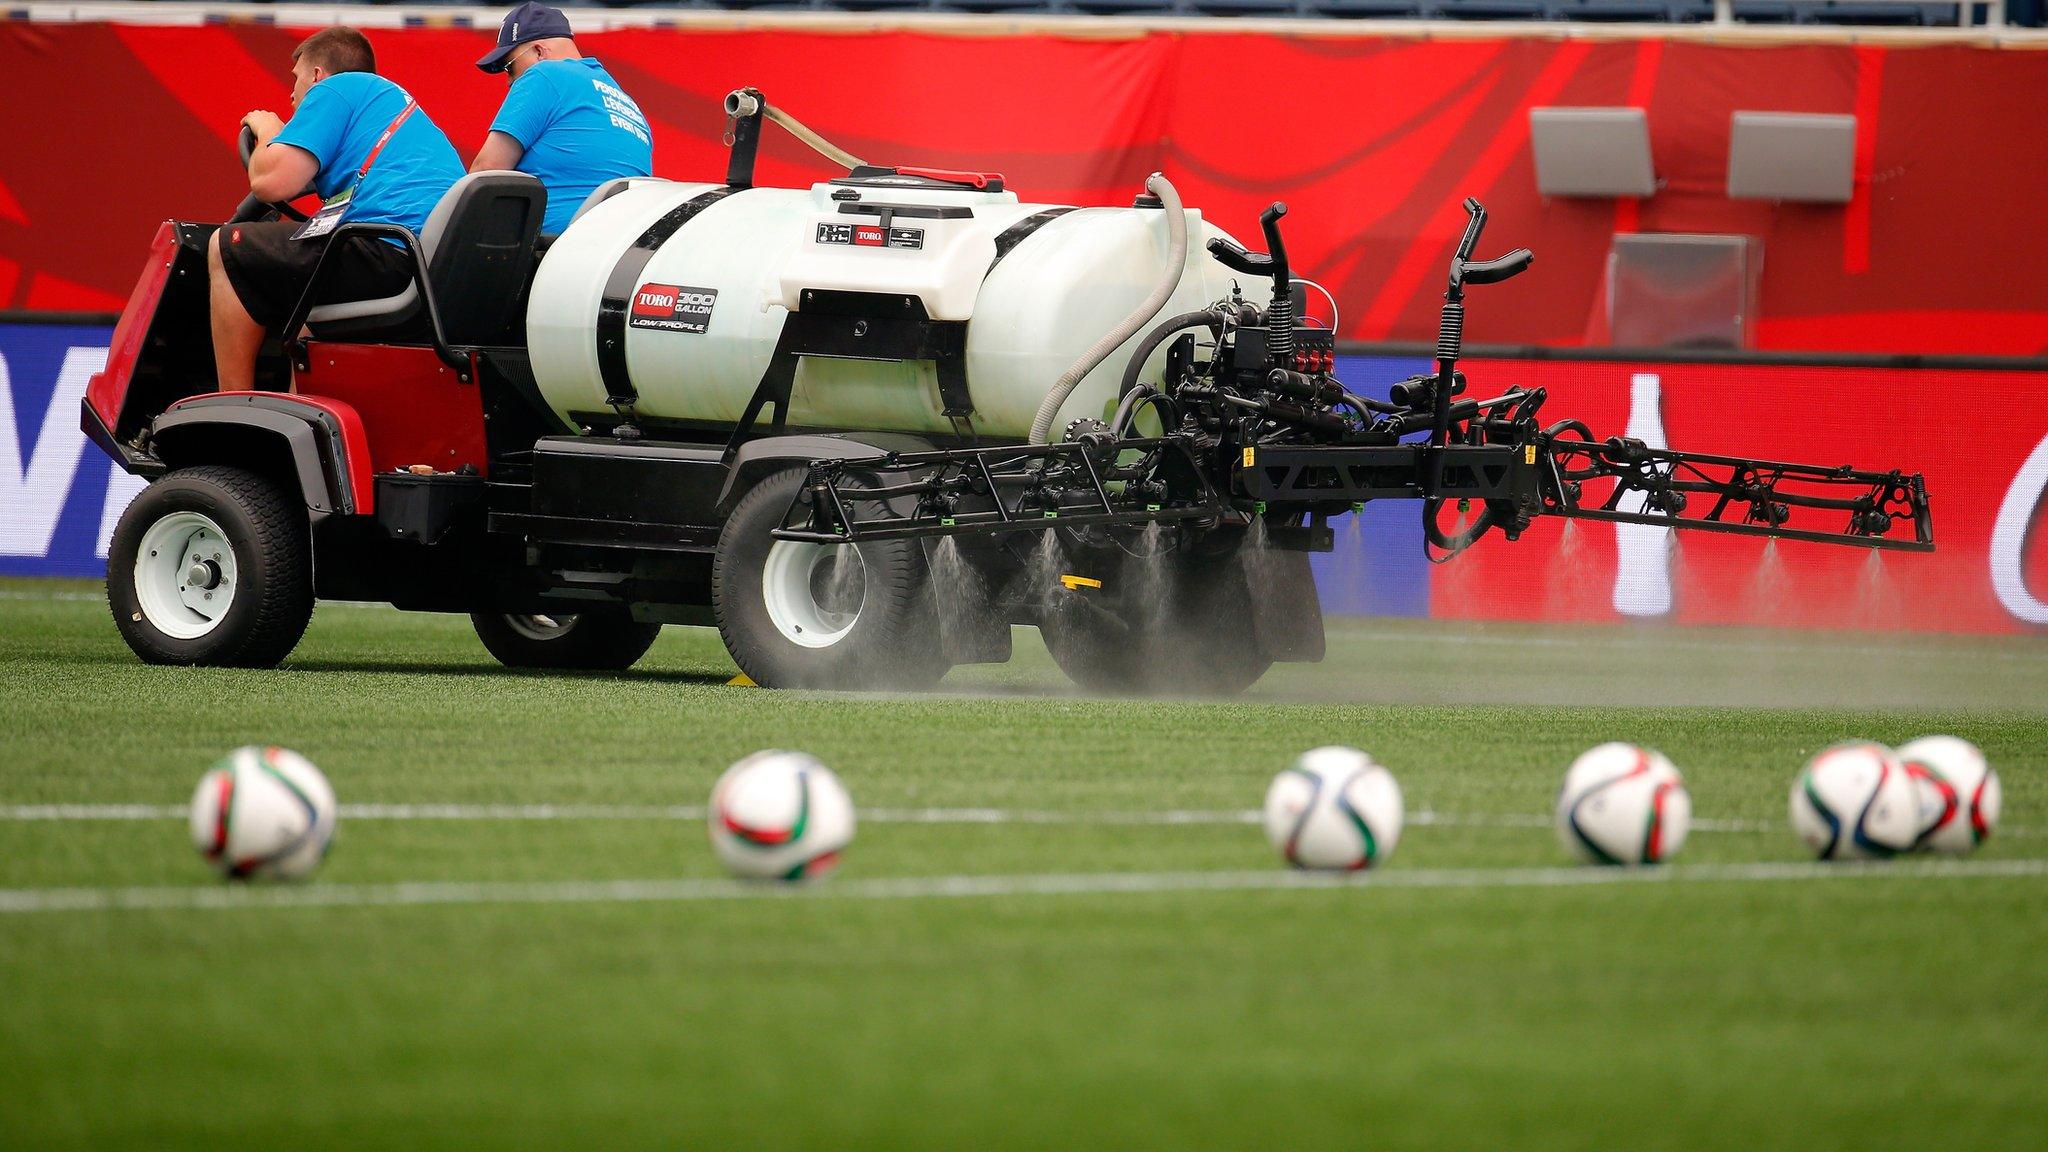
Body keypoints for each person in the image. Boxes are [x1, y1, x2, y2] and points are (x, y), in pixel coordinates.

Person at [210, 27, 465, 391]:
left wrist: (268, 130)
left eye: (295, 80)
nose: (292, 95)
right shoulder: (387, 103)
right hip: (430, 267)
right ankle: (299, 424)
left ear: (316, 75)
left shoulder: (336, 88)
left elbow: (271, 182)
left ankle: (229, 407)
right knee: (306, 321)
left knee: (225, 245)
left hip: (389, 252)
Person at [472, 2, 653, 237]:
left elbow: (485, 172)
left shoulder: (545, 74)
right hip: (615, 248)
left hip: (550, 251)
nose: (509, 81)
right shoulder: (627, 103)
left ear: (539, 52)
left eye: (510, 68)